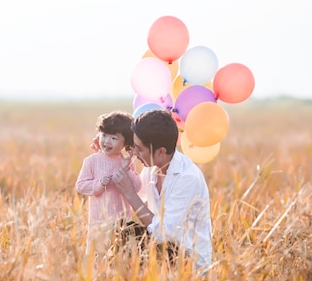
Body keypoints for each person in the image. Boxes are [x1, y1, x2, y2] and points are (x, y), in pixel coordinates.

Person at [111, 109, 213, 272]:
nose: (134, 153)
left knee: (129, 236)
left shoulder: (188, 178)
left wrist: (129, 193)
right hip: (161, 247)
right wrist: (106, 154)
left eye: (139, 148)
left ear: (161, 152)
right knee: (122, 228)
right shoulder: (153, 168)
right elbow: (127, 202)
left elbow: (164, 232)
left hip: (188, 259)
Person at [75, 111, 143, 253]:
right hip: (98, 222)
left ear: (126, 143)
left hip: (122, 223)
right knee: (98, 255)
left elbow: (137, 187)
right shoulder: (92, 161)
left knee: (120, 257)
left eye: (114, 138)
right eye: (104, 135)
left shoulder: (126, 163)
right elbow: (80, 185)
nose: (106, 141)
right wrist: (99, 184)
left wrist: (127, 170)